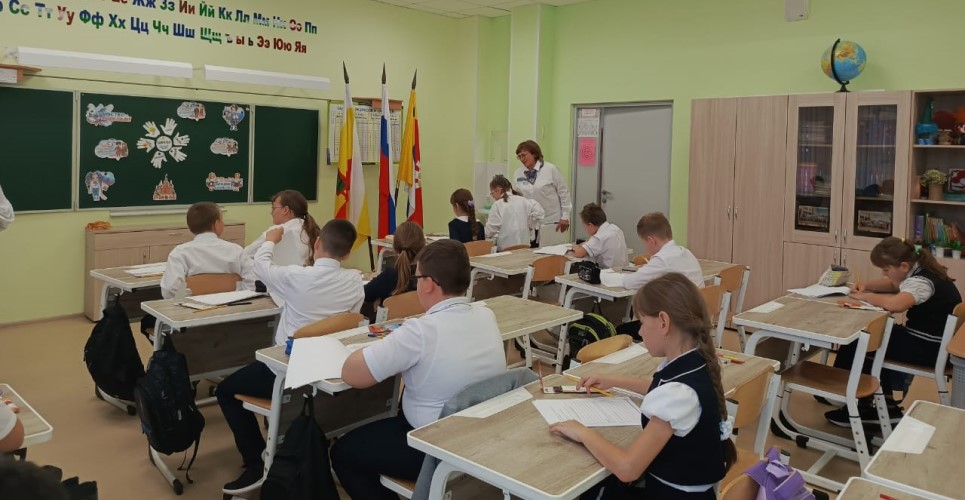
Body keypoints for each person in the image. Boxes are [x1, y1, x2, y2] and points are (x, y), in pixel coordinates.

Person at [332, 240, 506, 499]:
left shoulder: (420, 330)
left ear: (429, 284)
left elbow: (352, 375)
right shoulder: (485, 315)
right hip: (479, 434)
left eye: (418, 278)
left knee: (343, 453)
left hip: (431, 445)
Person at [551, 273, 736, 499]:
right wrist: (613, 381)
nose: (639, 332)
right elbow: (662, 388)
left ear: (663, 322)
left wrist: (582, 432)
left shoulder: (678, 394)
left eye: (642, 322)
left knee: (596, 488)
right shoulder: (696, 359)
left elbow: (628, 469)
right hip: (686, 491)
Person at [218, 219, 365, 495]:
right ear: (347, 254)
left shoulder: (296, 276)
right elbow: (351, 319)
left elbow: (260, 266)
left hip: (287, 372)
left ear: (317, 244)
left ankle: (255, 461)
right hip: (330, 369)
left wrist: (271, 240)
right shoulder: (355, 281)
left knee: (225, 391)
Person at [825, 237, 961, 427]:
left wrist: (865, 296)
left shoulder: (920, 283)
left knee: (860, 341)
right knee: (878, 336)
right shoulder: (922, 270)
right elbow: (894, 286)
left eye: (886, 270)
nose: (884, 274)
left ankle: (847, 398)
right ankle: (883, 404)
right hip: (936, 345)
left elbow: (895, 304)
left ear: (903, 266)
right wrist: (866, 285)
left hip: (929, 349)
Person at [159, 202, 254, 298]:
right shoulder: (236, 250)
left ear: (190, 227)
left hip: (191, 306)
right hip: (233, 304)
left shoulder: (179, 253)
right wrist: (235, 287)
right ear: (216, 225)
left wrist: (193, 289)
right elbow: (254, 282)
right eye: (222, 220)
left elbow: (169, 291)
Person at [512, 140, 572, 245]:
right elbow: (516, 197)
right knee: (529, 253)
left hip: (551, 221)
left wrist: (565, 216)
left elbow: (564, 193)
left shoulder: (550, 169)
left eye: (524, 155)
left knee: (551, 252)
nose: (522, 159)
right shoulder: (518, 173)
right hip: (529, 223)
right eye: (519, 156)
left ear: (534, 154)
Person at [623, 212, 703, 290]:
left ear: (651, 241)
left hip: (682, 299)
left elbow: (630, 283)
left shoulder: (662, 259)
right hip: (700, 297)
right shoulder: (686, 252)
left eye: (644, 243)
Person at [243, 190, 319, 268]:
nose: (271, 212)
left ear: (285, 210)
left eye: (273, 208)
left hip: (284, 274)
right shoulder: (310, 229)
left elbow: (246, 253)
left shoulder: (277, 230)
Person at [364, 221, 425, 308]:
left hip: (391, 317)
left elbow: (363, 295)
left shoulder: (389, 276)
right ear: (423, 246)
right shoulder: (429, 275)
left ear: (394, 247)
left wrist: (379, 298)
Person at [485, 175, 544, 251]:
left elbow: (490, 230)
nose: (492, 196)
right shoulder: (524, 200)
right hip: (525, 247)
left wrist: (484, 234)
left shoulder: (498, 205)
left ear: (498, 190)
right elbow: (539, 212)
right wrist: (530, 225)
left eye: (492, 193)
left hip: (506, 250)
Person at [571, 203, 629, 269]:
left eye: (585, 227)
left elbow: (578, 253)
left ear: (590, 226)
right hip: (625, 271)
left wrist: (575, 247)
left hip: (609, 273)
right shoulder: (615, 228)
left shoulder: (599, 237)